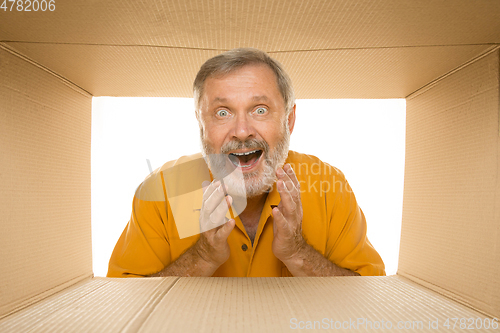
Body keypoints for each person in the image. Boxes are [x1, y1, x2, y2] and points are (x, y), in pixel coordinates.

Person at [107, 48, 385, 278]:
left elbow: (372, 295)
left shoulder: (328, 186)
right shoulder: (162, 192)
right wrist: (202, 257)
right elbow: (123, 303)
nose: (241, 131)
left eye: (260, 110)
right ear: (201, 125)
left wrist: (298, 253)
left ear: (288, 121)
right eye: (222, 112)